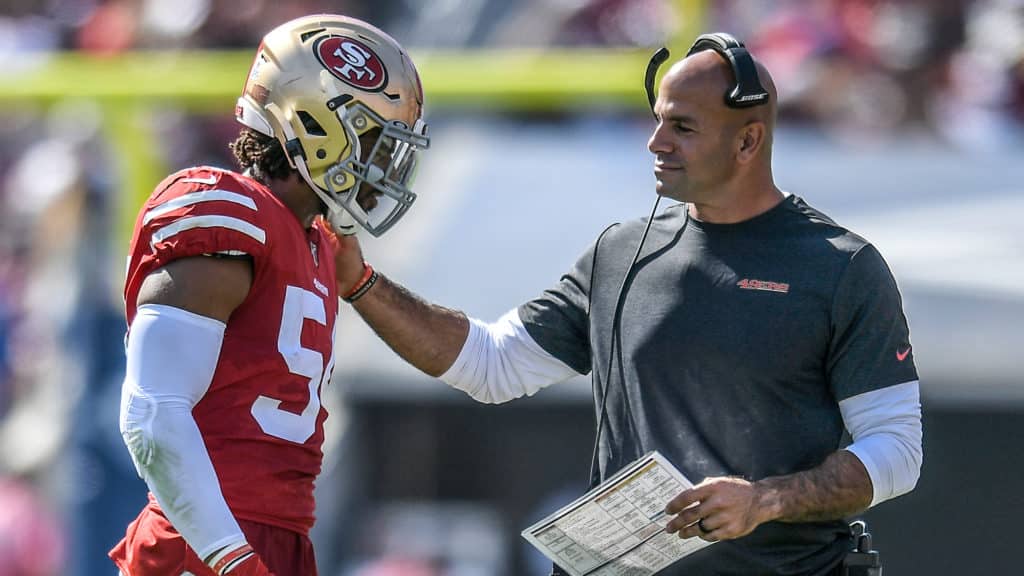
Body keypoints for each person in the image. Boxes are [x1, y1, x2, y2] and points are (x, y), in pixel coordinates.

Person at [330, 34, 923, 575]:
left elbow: (897, 450)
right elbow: (493, 364)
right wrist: (360, 283)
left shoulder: (841, 265)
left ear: (749, 140)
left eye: (683, 128)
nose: (655, 142)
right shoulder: (620, 250)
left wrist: (763, 500)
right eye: (659, 119)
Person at [109, 14, 430, 576]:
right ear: (314, 124)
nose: (385, 162)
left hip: (276, 540)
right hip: (206, 542)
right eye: (376, 138)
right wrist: (232, 561)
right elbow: (152, 412)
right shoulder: (223, 209)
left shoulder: (315, 244)